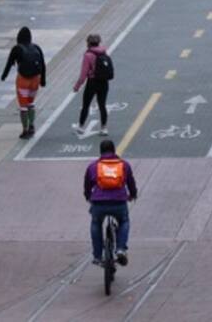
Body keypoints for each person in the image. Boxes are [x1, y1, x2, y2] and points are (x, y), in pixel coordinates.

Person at [84, 139, 138, 267]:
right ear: (114, 150)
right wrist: (132, 195)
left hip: (99, 203)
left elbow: (87, 186)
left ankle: (98, 256)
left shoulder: (93, 166)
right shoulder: (124, 165)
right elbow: (131, 183)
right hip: (119, 202)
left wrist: (89, 197)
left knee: (96, 223)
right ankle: (121, 249)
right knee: (124, 221)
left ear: (100, 151)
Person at [1, 26, 46, 139]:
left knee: (23, 106)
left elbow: (9, 63)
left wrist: (4, 76)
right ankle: (32, 126)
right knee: (31, 103)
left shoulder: (17, 49)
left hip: (23, 80)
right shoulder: (36, 47)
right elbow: (43, 64)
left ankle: (25, 130)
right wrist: (43, 81)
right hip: (36, 80)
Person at [73, 33, 113, 136]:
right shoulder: (104, 52)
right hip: (104, 82)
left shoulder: (88, 55)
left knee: (86, 105)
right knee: (102, 105)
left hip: (92, 82)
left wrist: (77, 86)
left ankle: (81, 126)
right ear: (99, 42)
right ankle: (104, 128)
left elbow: (83, 74)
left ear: (88, 43)